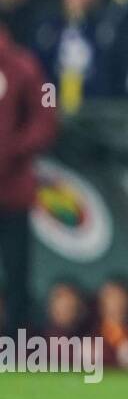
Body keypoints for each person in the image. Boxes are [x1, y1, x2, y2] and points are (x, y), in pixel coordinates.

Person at [0, 18, 59, 335]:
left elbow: (47, 115)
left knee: (17, 272)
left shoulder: (25, 65)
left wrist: (11, 150)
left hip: (12, 192)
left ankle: (14, 344)